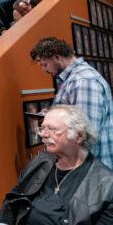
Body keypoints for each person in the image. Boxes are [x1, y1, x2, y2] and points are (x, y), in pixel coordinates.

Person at [0, 105, 113, 224]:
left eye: (52, 129)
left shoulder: (106, 184)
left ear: (79, 136)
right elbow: (12, 201)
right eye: (42, 128)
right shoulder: (40, 161)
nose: (43, 134)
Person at [30, 37, 113, 168]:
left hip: (89, 170)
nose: (44, 70)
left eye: (45, 65)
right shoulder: (74, 79)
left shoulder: (83, 81)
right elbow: (75, 117)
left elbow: (86, 132)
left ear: (57, 57)